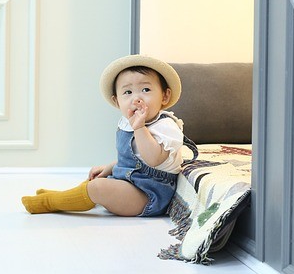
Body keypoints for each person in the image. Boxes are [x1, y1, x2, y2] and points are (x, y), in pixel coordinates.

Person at [21, 54, 197, 217]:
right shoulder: (127, 122)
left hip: (150, 194)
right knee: (96, 180)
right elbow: (134, 159)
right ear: (117, 101)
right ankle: (63, 195)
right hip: (129, 182)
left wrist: (140, 128)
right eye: (128, 92)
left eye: (145, 89)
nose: (137, 98)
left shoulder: (166, 127)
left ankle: (51, 202)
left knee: (98, 187)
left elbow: (153, 159)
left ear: (165, 96)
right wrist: (111, 167)